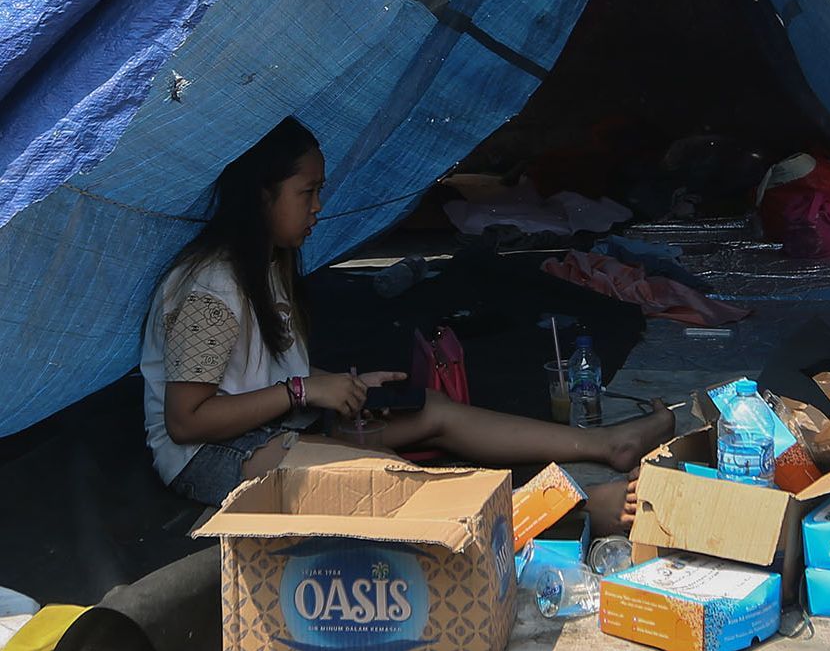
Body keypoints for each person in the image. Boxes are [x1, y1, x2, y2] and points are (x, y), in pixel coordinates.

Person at [142, 118, 672, 523]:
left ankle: (607, 445)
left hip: (276, 423)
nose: (319, 207)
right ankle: (570, 508)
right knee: (386, 480)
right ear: (263, 195)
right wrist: (305, 391)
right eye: (308, 192)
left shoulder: (268, 263)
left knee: (436, 410)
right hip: (213, 455)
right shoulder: (208, 289)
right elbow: (187, 421)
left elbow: (262, 372)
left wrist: (337, 387)